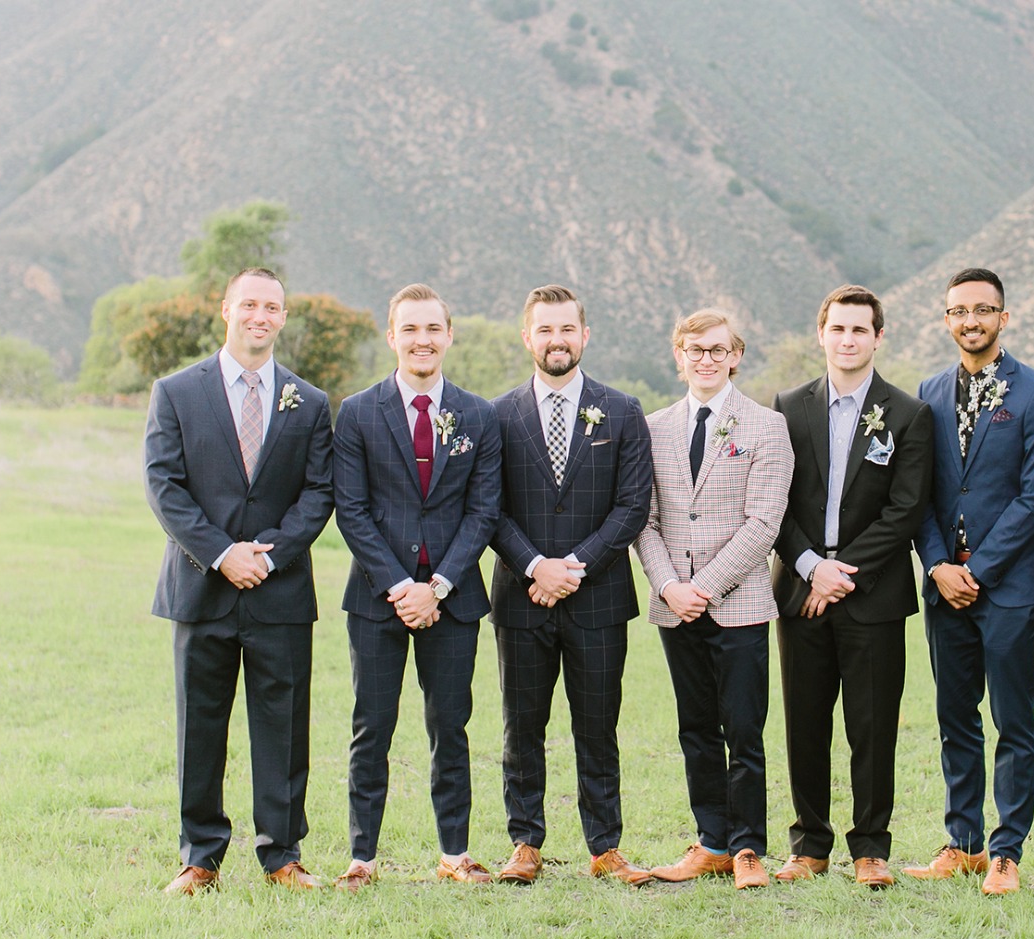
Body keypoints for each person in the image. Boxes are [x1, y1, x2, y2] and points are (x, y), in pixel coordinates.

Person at [144, 267, 334, 893]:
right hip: (203, 588)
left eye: (272, 306)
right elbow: (164, 486)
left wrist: (268, 556)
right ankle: (200, 857)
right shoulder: (175, 392)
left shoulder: (309, 402)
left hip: (278, 591)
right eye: (249, 303)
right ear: (225, 309)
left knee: (283, 727)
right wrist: (223, 554)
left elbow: (318, 493)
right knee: (201, 726)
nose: (260, 315)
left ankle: (282, 855)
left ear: (283, 316)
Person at [331, 284, 503, 889]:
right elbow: (350, 510)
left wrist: (441, 585)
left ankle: (454, 853)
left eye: (433, 329)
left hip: (453, 604)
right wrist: (402, 586)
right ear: (392, 337)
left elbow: (484, 512)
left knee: (449, 725)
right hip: (377, 601)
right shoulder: (356, 412)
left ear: (449, 335)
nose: (422, 340)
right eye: (410, 329)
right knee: (370, 727)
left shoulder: (479, 415)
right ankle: (362, 858)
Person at [902, 268, 1034, 896]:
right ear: (946, 320)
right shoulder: (930, 392)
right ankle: (963, 842)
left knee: (1013, 721)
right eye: (959, 311)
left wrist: (980, 570)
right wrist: (939, 566)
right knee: (954, 716)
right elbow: (920, 493)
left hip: (1011, 588)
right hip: (945, 587)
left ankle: (1006, 852)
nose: (971, 321)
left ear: (1004, 316)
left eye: (983, 310)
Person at [489, 284, 654, 886]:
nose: (556, 340)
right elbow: (489, 507)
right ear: (527, 336)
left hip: (600, 599)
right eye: (545, 330)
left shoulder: (623, 410)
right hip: (520, 597)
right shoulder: (498, 415)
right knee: (520, 726)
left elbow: (632, 506)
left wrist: (572, 567)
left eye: (567, 329)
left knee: (598, 727)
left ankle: (605, 846)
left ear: (585, 335)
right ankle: (525, 842)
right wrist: (537, 567)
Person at [770, 284, 933, 889]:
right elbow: (774, 502)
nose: (848, 339)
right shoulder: (787, 407)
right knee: (804, 722)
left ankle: (870, 847)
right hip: (800, 589)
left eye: (860, 330)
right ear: (822, 334)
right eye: (838, 329)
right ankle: (809, 844)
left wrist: (841, 573)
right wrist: (811, 565)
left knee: (872, 725)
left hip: (875, 595)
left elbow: (906, 510)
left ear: (878, 337)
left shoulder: (909, 414)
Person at [634, 309, 794, 891]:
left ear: (735, 355)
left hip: (741, 603)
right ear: (678, 356)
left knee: (744, 730)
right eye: (694, 349)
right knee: (695, 729)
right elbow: (642, 521)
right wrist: (672, 587)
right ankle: (711, 842)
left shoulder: (765, 427)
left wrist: (705, 588)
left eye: (716, 349)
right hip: (674, 604)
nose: (705, 358)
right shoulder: (651, 428)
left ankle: (750, 846)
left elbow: (764, 523)